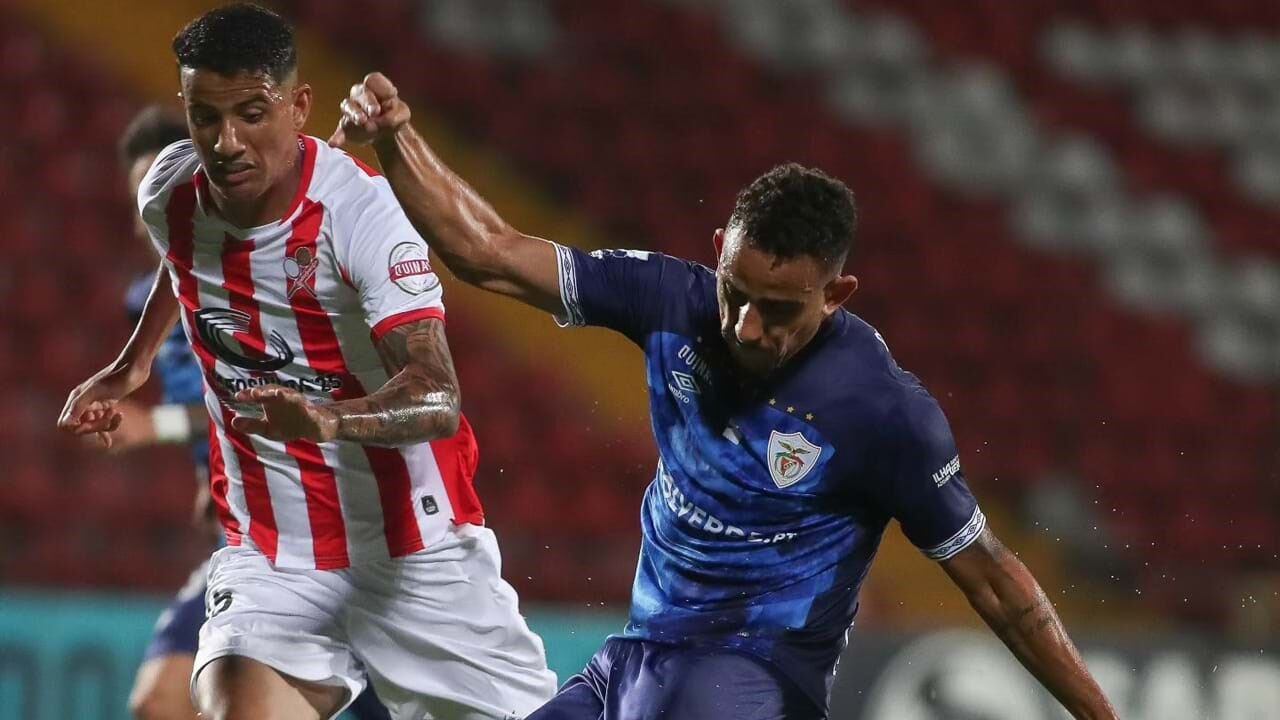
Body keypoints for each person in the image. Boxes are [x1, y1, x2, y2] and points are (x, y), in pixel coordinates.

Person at [328, 72, 1121, 720]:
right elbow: (489, 254)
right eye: (734, 292)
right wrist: (397, 136)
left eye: (778, 311)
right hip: (634, 660)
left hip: (752, 677)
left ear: (836, 294)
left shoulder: (884, 413)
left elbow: (997, 584)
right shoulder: (668, 300)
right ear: (718, 254)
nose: (745, 325)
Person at [57, 6, 556, 720]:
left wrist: (327, 420)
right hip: (274, 555)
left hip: (414, 555)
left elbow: (437, 396)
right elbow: (183, 260)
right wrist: (129, 366)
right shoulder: (169, 193)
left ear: (298, 108)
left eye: (252, 114)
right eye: (205, 117)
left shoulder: (364, 215)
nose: (225, 142)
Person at [112, 105, 394, 720]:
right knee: (161, 702)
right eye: (138, 197)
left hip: (322, 532)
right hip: (248, 539)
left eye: (155, 188)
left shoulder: (253, 278)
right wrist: (206, 473)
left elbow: (272, 395)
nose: (146, 212)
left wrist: (157, 427)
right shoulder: (149, 304)